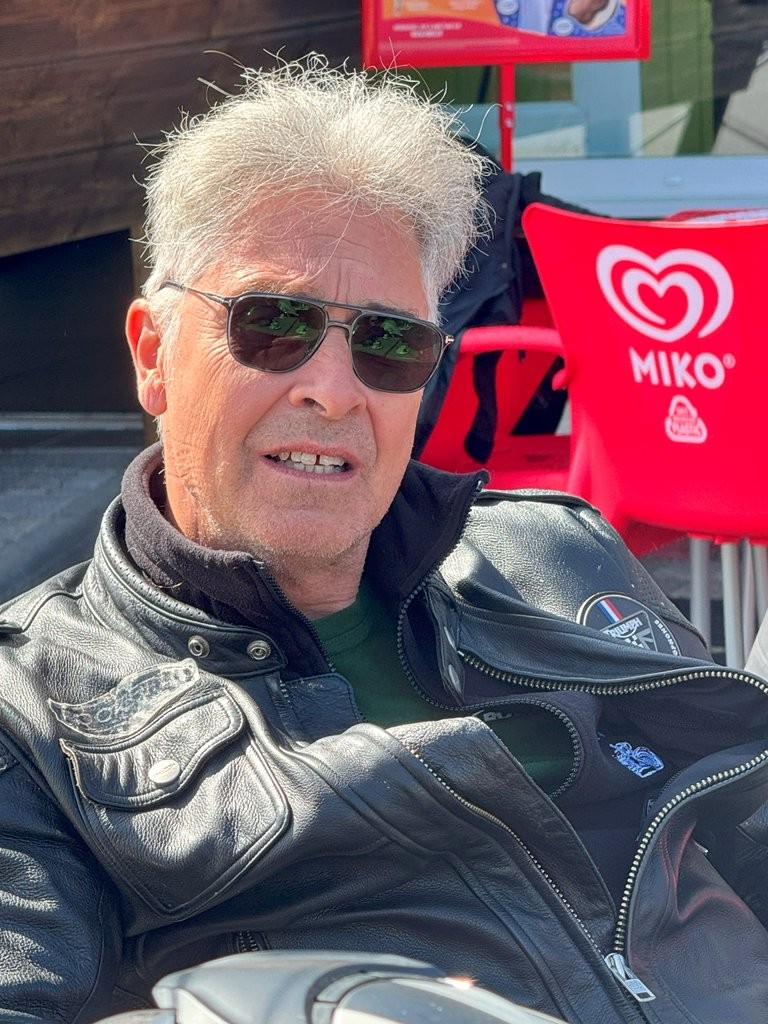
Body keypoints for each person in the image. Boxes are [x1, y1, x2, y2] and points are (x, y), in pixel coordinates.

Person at [2, 54, 768, 1024]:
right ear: (154, 355)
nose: (334, 389)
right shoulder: (32, 707)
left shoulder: (559, 554)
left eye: (388, 342)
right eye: (272, 325)